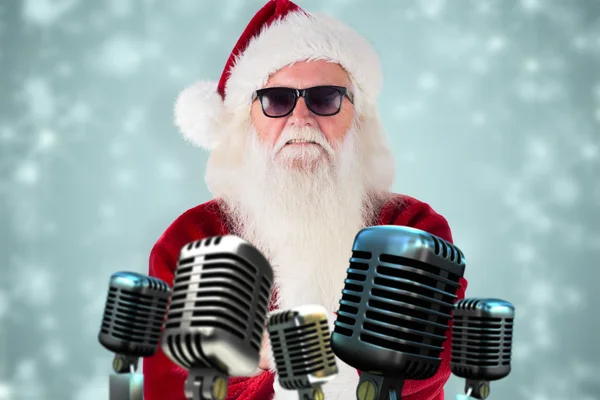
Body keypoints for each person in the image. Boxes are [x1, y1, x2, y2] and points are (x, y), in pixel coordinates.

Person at [143, 0, 468, 399]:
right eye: (277, 100)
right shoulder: (194, 238)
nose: (301, 118)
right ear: (249, 121)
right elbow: (172, 386)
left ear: (357, 117)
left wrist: (272, 354)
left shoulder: (411, 227)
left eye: (325, 97)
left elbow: (426, 365)